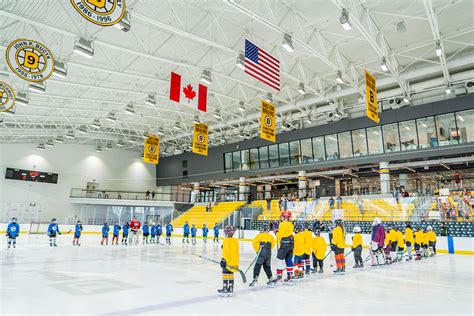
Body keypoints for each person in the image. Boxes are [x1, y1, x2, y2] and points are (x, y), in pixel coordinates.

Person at [249, 223, 276, 289]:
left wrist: (257, 251)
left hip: (262, 252)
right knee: (267, 267)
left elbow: (254, 243)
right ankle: (271, 279)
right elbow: (272, 246)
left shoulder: (260, 235)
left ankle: (255, 280)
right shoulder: (271, 236)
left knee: (257, 266)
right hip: (268, 253)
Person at [271, 210, 294, 285]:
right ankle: (289, 277)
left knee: (279, 259)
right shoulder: (291, 224)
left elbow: (280, 235)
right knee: (288, 259)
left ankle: (279, 277)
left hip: (284, 244)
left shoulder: (282, 224)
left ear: (284, 217)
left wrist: (276, 232)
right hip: (291, 244)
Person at [218, 225, 239, 297]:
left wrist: (224, 260)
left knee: (225, 274)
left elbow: (226, 252)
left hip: (227, 262)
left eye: (227, 231)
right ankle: (230, 289)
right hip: (234, 262)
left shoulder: (226, 240)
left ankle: (225, 289)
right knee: (231, 274)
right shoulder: (235, 241)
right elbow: (234, 252)